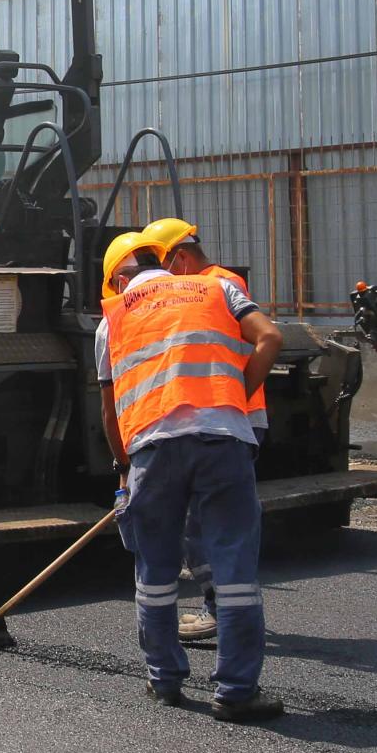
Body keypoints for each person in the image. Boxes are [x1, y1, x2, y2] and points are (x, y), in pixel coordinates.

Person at [96, 229, 286, 720]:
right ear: (166, 261)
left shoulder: (113, 318)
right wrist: (234, 403)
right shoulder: (217, 288)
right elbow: (271, 338)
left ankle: (164, 682)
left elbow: (109, 411)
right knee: (234, 569)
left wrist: (123, 471)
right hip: (223, 440)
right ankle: (237, 691)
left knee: (155, 570)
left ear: (118, 278)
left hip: (152, 451)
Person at [141, 216, 266, 642]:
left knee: (204, 525)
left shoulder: (218, 283)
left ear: (180, 256)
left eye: (160, 264)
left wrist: (238, 396)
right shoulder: (201, 285)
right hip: (213, 419)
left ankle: (220, 610)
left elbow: (262, 339)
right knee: (202, 523)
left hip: (228, 418)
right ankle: (224, 611)